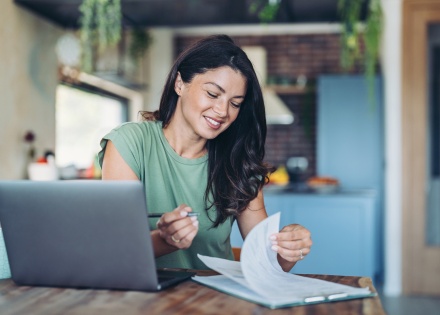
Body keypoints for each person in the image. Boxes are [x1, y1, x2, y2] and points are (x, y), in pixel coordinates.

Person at [98, 35, 312, 272]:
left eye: (235, 103)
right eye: (212, 94)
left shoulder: (238, 164)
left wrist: (290, 249)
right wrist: (165, 240)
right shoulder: (129, 143)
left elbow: (268, 265)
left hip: (216, 300)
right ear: (180, 83)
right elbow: (116, 249)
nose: (222, 111)